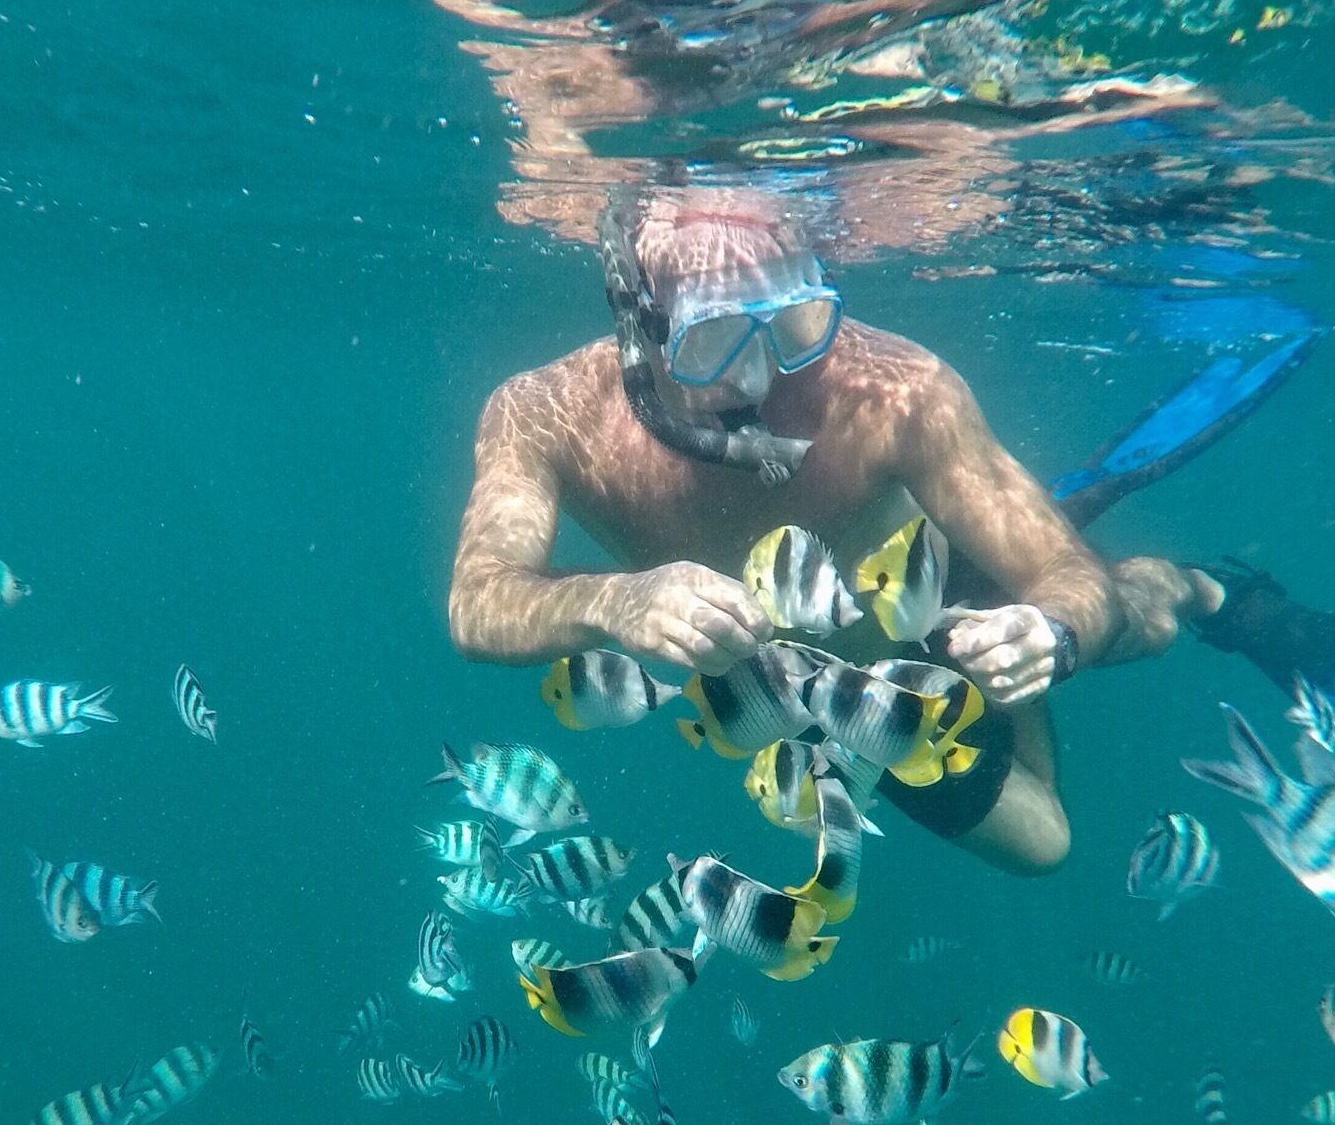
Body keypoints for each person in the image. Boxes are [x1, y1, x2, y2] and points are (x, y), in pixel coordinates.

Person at [448, 185, 1225, 874]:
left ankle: (1176, 585)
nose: (758, 378)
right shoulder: (542, 413)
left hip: (941, 575)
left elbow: (1063, 571)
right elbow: (479, 598)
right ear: (641, 324)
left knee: (1127, 620)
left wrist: (1051, 633)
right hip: (836, 686)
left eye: (791, 325)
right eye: (711, 340)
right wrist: (616, 602)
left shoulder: (899, 389)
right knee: (1042, 841)